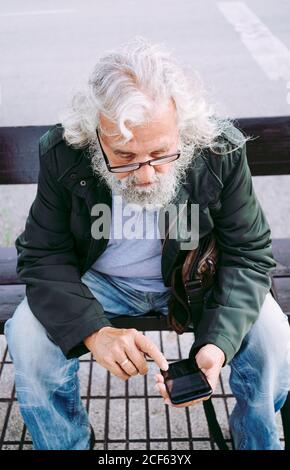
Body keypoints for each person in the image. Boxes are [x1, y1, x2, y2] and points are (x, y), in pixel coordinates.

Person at [4, 37, 290, 450]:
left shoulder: (218, 148)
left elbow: (249, 253)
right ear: (95, 134)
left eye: (160, 153)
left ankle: (256, 439)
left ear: (184, 130)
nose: (144, 175)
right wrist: (93, 331)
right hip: (99, 284)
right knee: (27, 338)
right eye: (123, 156)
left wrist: (216, 345)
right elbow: (43, 254)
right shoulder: (65, 152)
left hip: (195, 281)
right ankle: (66, 444)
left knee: (272, 334)